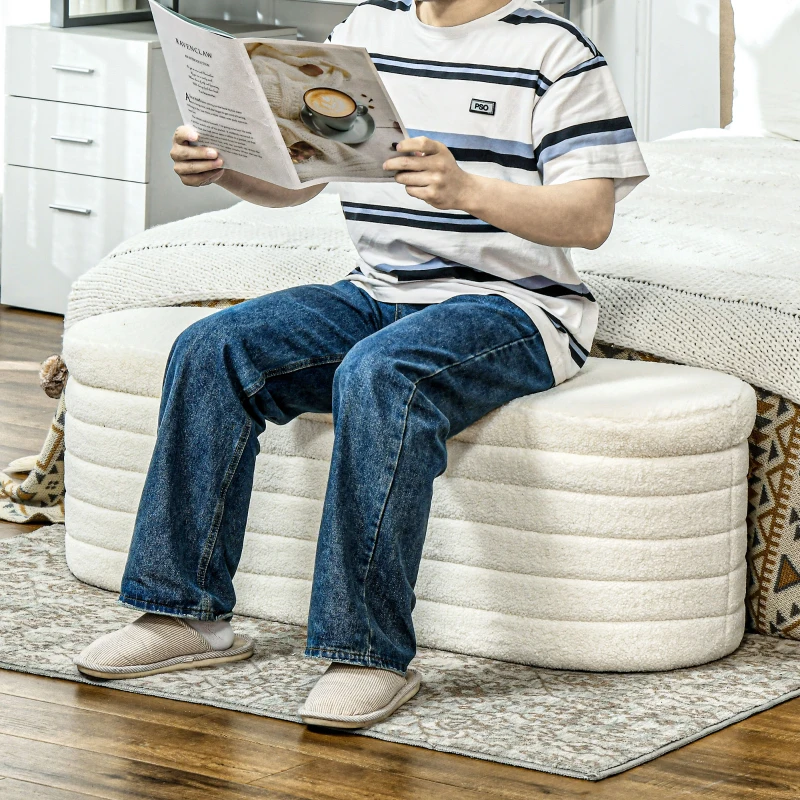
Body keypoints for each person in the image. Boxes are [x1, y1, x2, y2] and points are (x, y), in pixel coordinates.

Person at [74, 0, 648, 729]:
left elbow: (589, 218)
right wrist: (225, 171)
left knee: (381, 373)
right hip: (378, 291)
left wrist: (466, 189)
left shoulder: (553, 51)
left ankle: (366, 653)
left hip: (517, 309)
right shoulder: (363, 32)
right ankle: (183, 614)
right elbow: (298, 183)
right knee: (212, 346)